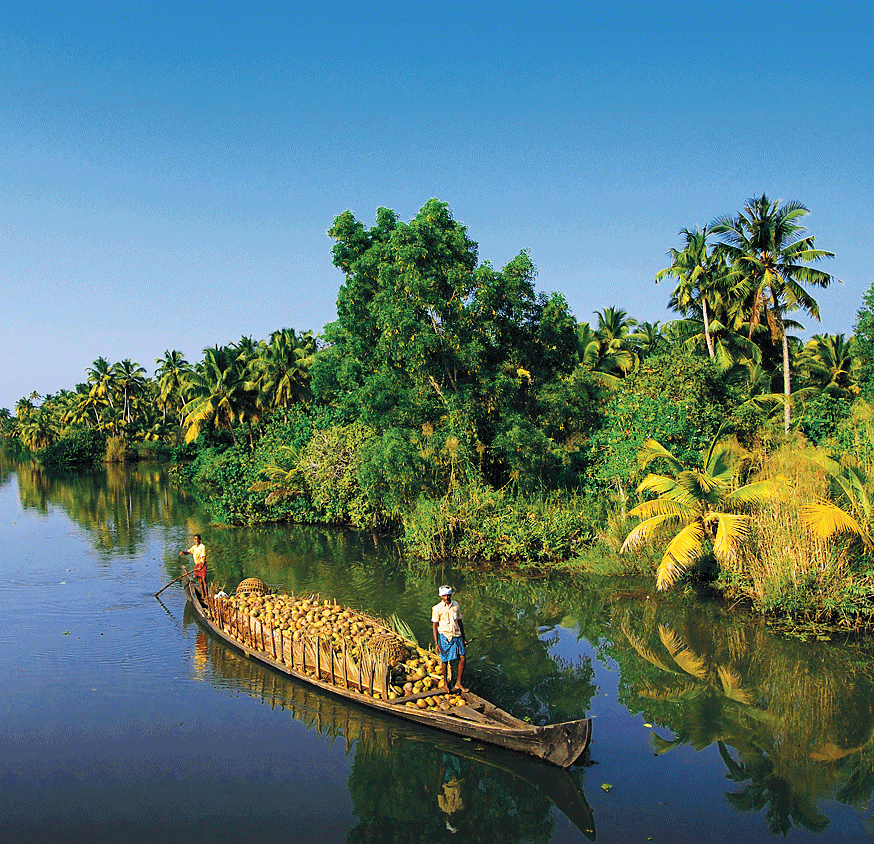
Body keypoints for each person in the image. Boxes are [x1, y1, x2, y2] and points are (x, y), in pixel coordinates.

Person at [432, 585, 467, 693]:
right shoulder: (437, 608)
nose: (446, 597)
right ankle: (445, 684)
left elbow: (460, 621)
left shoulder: (456, 605)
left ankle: (458, 683)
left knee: (462, 658)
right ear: (441, 596)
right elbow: (434, 626)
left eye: (448, 595)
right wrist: (436, 643)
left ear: (451, 595)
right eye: (444, 596)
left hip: (457, 635)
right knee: (444, 660)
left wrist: (464, 638)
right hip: (445, 637)